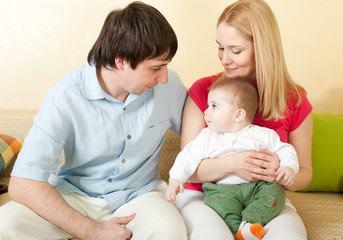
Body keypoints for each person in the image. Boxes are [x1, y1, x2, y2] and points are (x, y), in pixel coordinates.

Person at [0, 2, 187, 240]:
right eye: (156, 68)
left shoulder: (169, 86)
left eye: (166, 66)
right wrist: (92, 230)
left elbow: (206, 133)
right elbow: (24, 183)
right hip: (75, 197)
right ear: (121, 61)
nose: (163, 77)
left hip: (140, 198)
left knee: (169, 230)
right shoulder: (65, 96)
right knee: (4, 224)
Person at [173, 0, 313, 239]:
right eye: (220, 47)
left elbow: (305, 174)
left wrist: (280, 171)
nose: (224, 59)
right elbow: (189, 169)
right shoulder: (204, 91)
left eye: (235, 50)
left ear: (263, 49)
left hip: (263, 196)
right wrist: (235, 164)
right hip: (203, 196)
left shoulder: (294, 99)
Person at [166, 78, 299, 240]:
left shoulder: (262, 135)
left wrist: (288, 167)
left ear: (238, 114)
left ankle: (250, 223)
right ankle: (239, 230)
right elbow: (187, 156)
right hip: (222, 190)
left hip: (258, 187)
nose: (206, 111)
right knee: (219, 205)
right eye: (207, 106)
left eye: (214, 106)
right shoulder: (207, 136)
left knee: (275, 193)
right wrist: (176, 178)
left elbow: (285, 150)